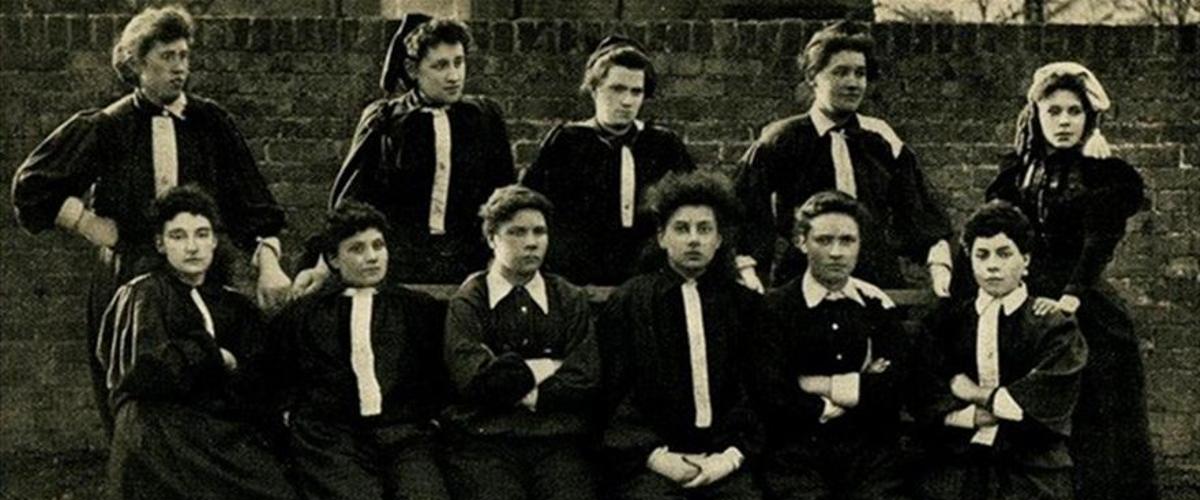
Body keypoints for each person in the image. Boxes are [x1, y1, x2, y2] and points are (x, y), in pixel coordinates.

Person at [12, 4, 290, 434]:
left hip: (203, 274)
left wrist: (269, 263)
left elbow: (252, 203)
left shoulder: (212, 123)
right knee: (133, 388)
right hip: (130, 274)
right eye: (166, 57)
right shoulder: (110, 125)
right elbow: (32, 186)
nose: (179, 68)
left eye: (184, 56)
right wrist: (89, 224)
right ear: (138, 63)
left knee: (208, 381)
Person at [984, 61, 1168, 500]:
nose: (1062, 121)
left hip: (1085, 314)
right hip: (1026, 313)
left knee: (1100, 445)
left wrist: (1069, 298)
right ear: (1035, 114)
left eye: (1073, 112)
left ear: (1090, 117)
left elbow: (1097, 242)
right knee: (1034, 440)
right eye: (1052, 110)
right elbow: (994, 235)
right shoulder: (1016, 173)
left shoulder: (1109, 176)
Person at [95, 185, 302, 500]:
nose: (192, 245)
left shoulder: (230, 303)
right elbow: (144, 369)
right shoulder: (143, 293)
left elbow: (263, 373)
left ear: (215, 243)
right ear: (161, 243)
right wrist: (213, 356)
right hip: (166, 439)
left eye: (202, 234)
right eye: (179, 235)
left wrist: (241, 372)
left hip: (221, 436)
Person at [599, 171, 778, 500]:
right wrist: (655, 456)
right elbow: (613, 394)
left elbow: (756, 393)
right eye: (682, 228)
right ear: (661, 237)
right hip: (653, 459)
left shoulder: (744, 305)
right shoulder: (631, 302)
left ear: (721, 239)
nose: (694, 239)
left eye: (705, 228)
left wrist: (730, 456)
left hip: (726, 456)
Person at [270, 201, 459, 500]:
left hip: (403, 436)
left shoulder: (418, 311)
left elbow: (441, 379)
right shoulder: (305, 316)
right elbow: (271, 381)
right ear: (333, 259)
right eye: (357, 249)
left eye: (379, 245)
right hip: (331, 441)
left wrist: (429, 423)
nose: (373, 257)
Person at [910, 201, 1087, 500]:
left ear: (1025, 259)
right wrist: (968, 417)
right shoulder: (946, 321)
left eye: (1004, 253)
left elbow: (1038, 407)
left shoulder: (1053, 325)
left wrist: (971, 390)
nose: (992, 266)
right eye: (982, 255)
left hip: (1030, 472)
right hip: (957, 464)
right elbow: (924, 393)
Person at [441, 185, 603, 500]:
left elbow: (587, 375)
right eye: (517, 233)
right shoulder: (469, 300)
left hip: (559, 447)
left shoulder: (568, 298)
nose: (531, 242)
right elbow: (475, 376)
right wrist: (546, 370)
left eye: (539, 232)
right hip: (484, 447)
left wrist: (518, 378)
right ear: (492, 238)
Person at [758, 191, 913, 500]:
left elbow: (895, 387)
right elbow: (772, 393)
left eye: (848, 240)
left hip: (869, 453)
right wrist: (855, 389)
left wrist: (819, 386)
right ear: (803, 243)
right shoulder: (776, 309)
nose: (837, 251)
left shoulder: (876, 306)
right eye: (824, 239)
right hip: (796, 452)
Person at [734, 20, 952, 294]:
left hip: (875, 282)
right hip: (804, 283)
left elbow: (919, 210)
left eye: (859, 74)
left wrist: (939, 266)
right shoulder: (781, 140)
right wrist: (749, 272)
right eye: (840, 72)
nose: (852, 83)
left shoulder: (881, 137)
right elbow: (745, 211)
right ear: (813, 77)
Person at [303, 14, 515, 289]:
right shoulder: (386, 120)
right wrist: (322, 265)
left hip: (470, 268)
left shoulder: (484, 117)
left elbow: (503, 196)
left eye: (459, 62)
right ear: (413, 69)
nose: (453, 76)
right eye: (440, 65)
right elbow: (352, 200)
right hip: (400, 269)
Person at [521, 35, 695, 286]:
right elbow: (532, 205)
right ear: (594, 89)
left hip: (646, 279)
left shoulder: (663, 145)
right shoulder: (566, 142)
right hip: (578, 280)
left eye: (636, 92)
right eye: (617, 89)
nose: (627, 101)